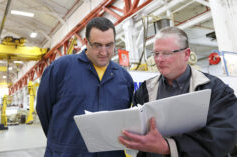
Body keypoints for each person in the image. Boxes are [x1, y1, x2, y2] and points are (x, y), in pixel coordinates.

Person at [119, 27, 237, 157]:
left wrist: (169, 147)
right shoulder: (145, 90)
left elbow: (224, 136)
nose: (159, 59)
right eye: (156, 53)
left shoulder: (215, 90)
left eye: (166, 53)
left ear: (186, 54)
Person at [36, 17, 134, 157]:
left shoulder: (124, 78)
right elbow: (43, 109)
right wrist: (61, 142)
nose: (104, 52)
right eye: (97, 45)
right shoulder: (61, 68)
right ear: (86, 43)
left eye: (109, 45)